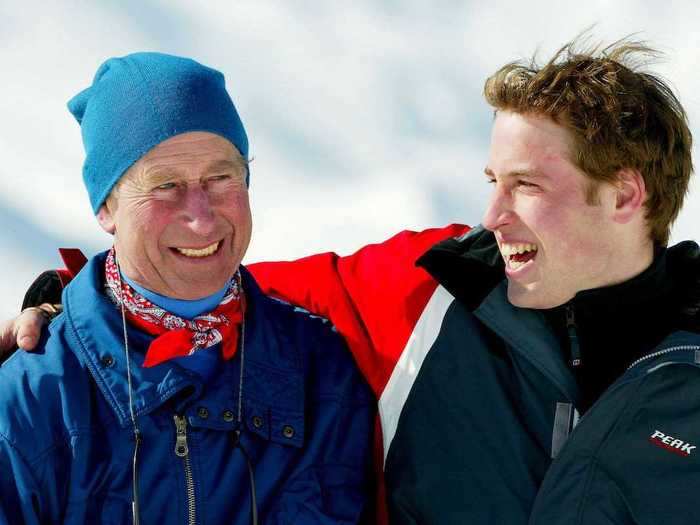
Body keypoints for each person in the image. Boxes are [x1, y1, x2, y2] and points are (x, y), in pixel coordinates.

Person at [3, 38, 698, 523]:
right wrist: (62, 301)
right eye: (494, 182)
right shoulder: (431, 288)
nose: (491, 213)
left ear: (625, 195)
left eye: (526, 185)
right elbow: (213, 281)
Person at [0, 52, 375, 524]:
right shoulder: (30, 397)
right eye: (165, 185)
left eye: (221, 177)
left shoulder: (322, 370)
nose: (201, 218)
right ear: (107, 209)